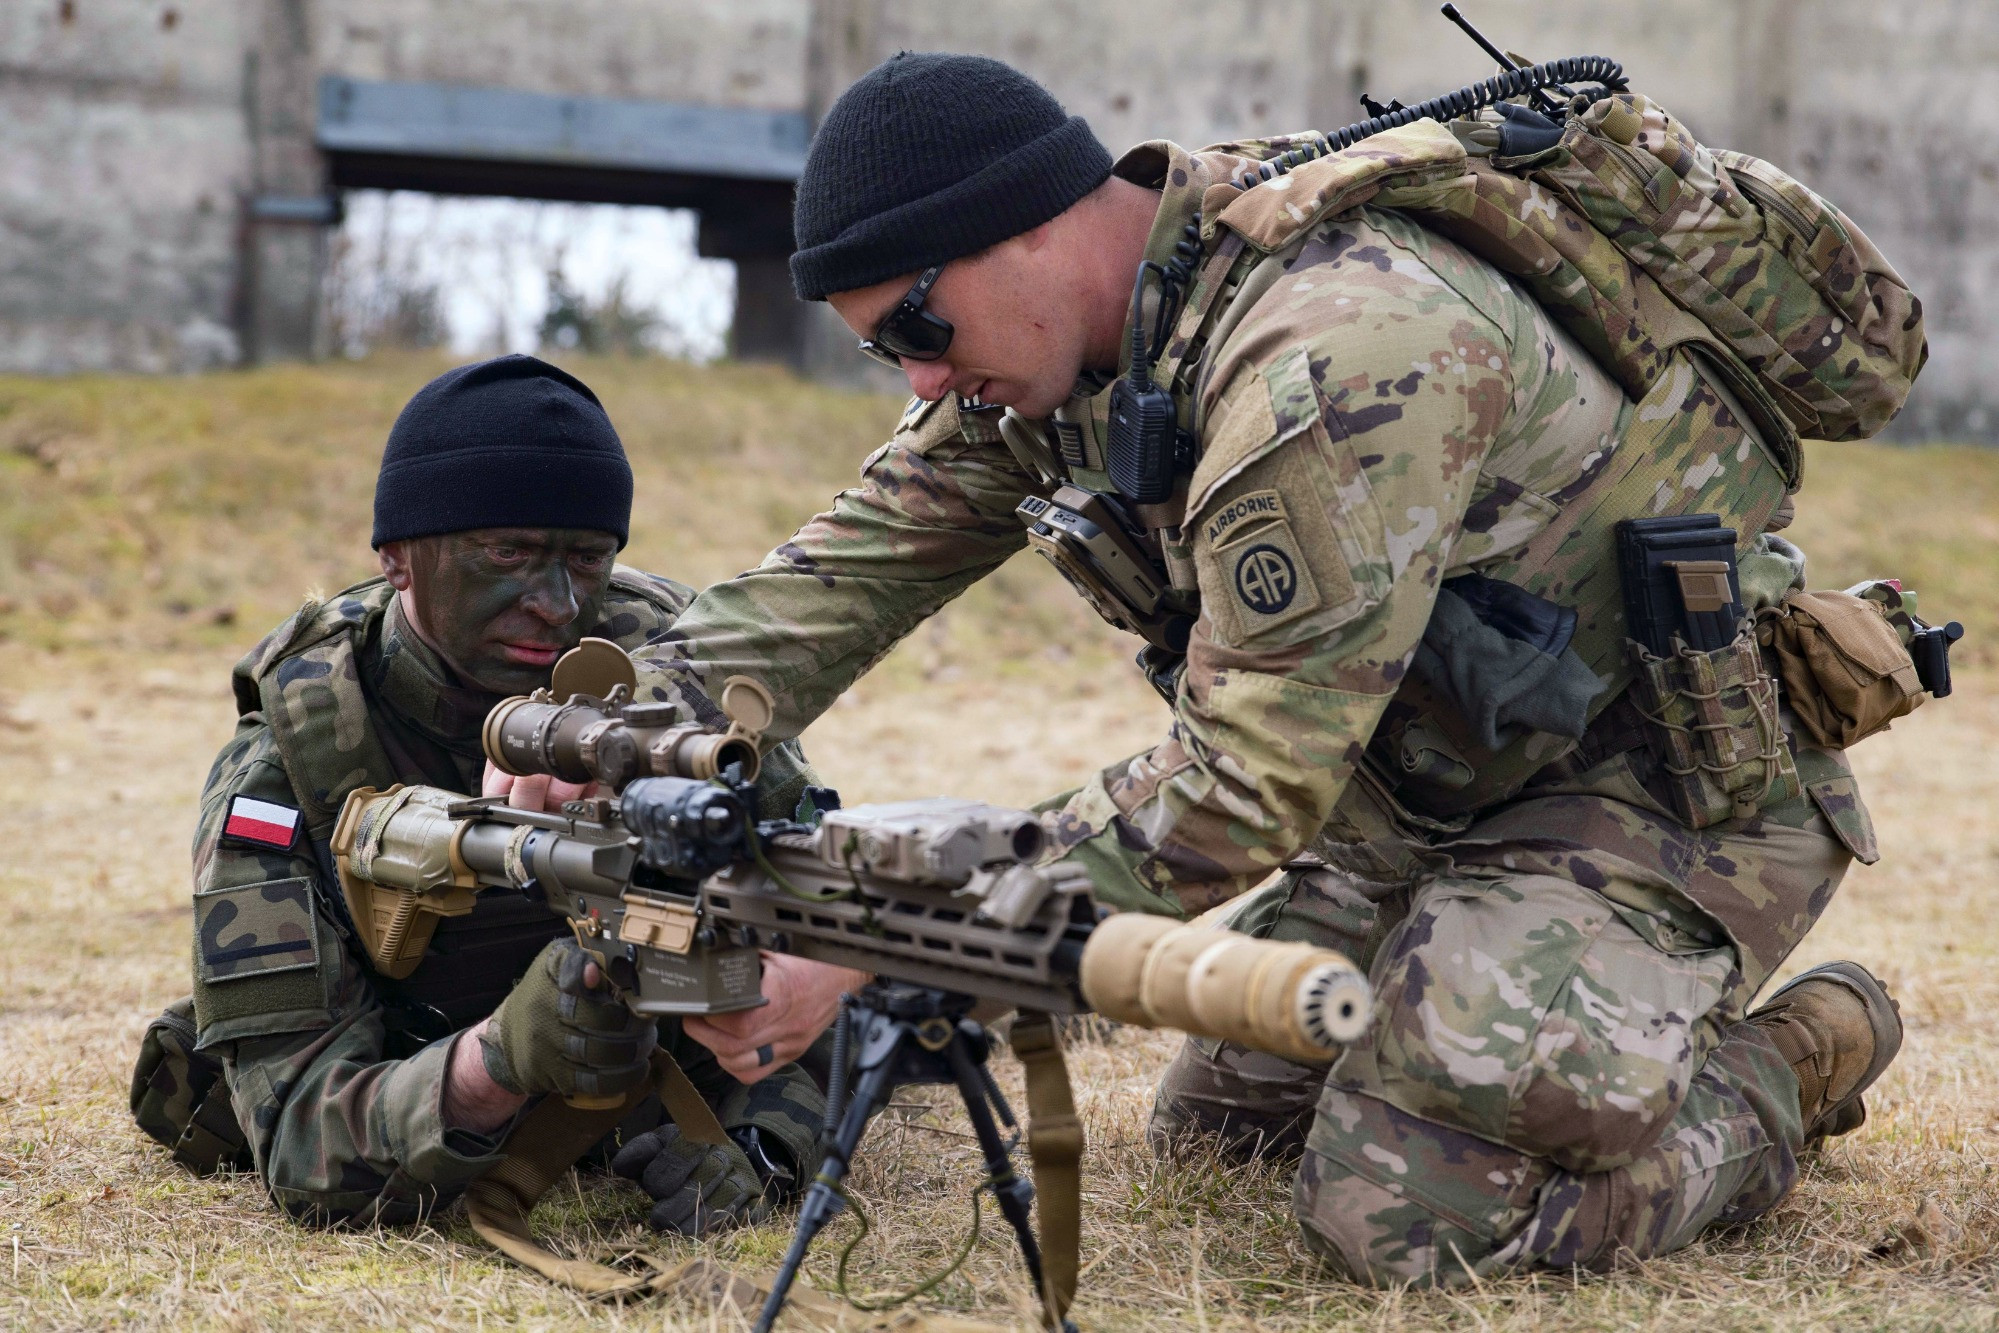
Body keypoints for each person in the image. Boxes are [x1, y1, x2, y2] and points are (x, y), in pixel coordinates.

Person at [631, 53, 1921, 1283]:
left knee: (1402, 1217)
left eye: (916, 321)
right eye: (881, 348)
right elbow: (821, 593)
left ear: (1025, 224)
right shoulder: (1072, 352)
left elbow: (1239, 789)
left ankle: (1794, 1060)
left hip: (1656, 800)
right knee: (1223, 1130)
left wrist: (881, 940)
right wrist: (587, 733)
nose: (916, 373)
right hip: (1416, 805)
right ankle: (1487, 982)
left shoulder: (1334, 354)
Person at [134, 355, 822, 1235]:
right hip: (414, 1059)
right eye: (508, 554)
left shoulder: (678, 686)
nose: (557, 602)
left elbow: (828, 953)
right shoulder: (295, 762)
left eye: (589, 557)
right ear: (398, 557)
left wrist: (766, 1140)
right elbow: (305, 1142)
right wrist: (494, 1064)